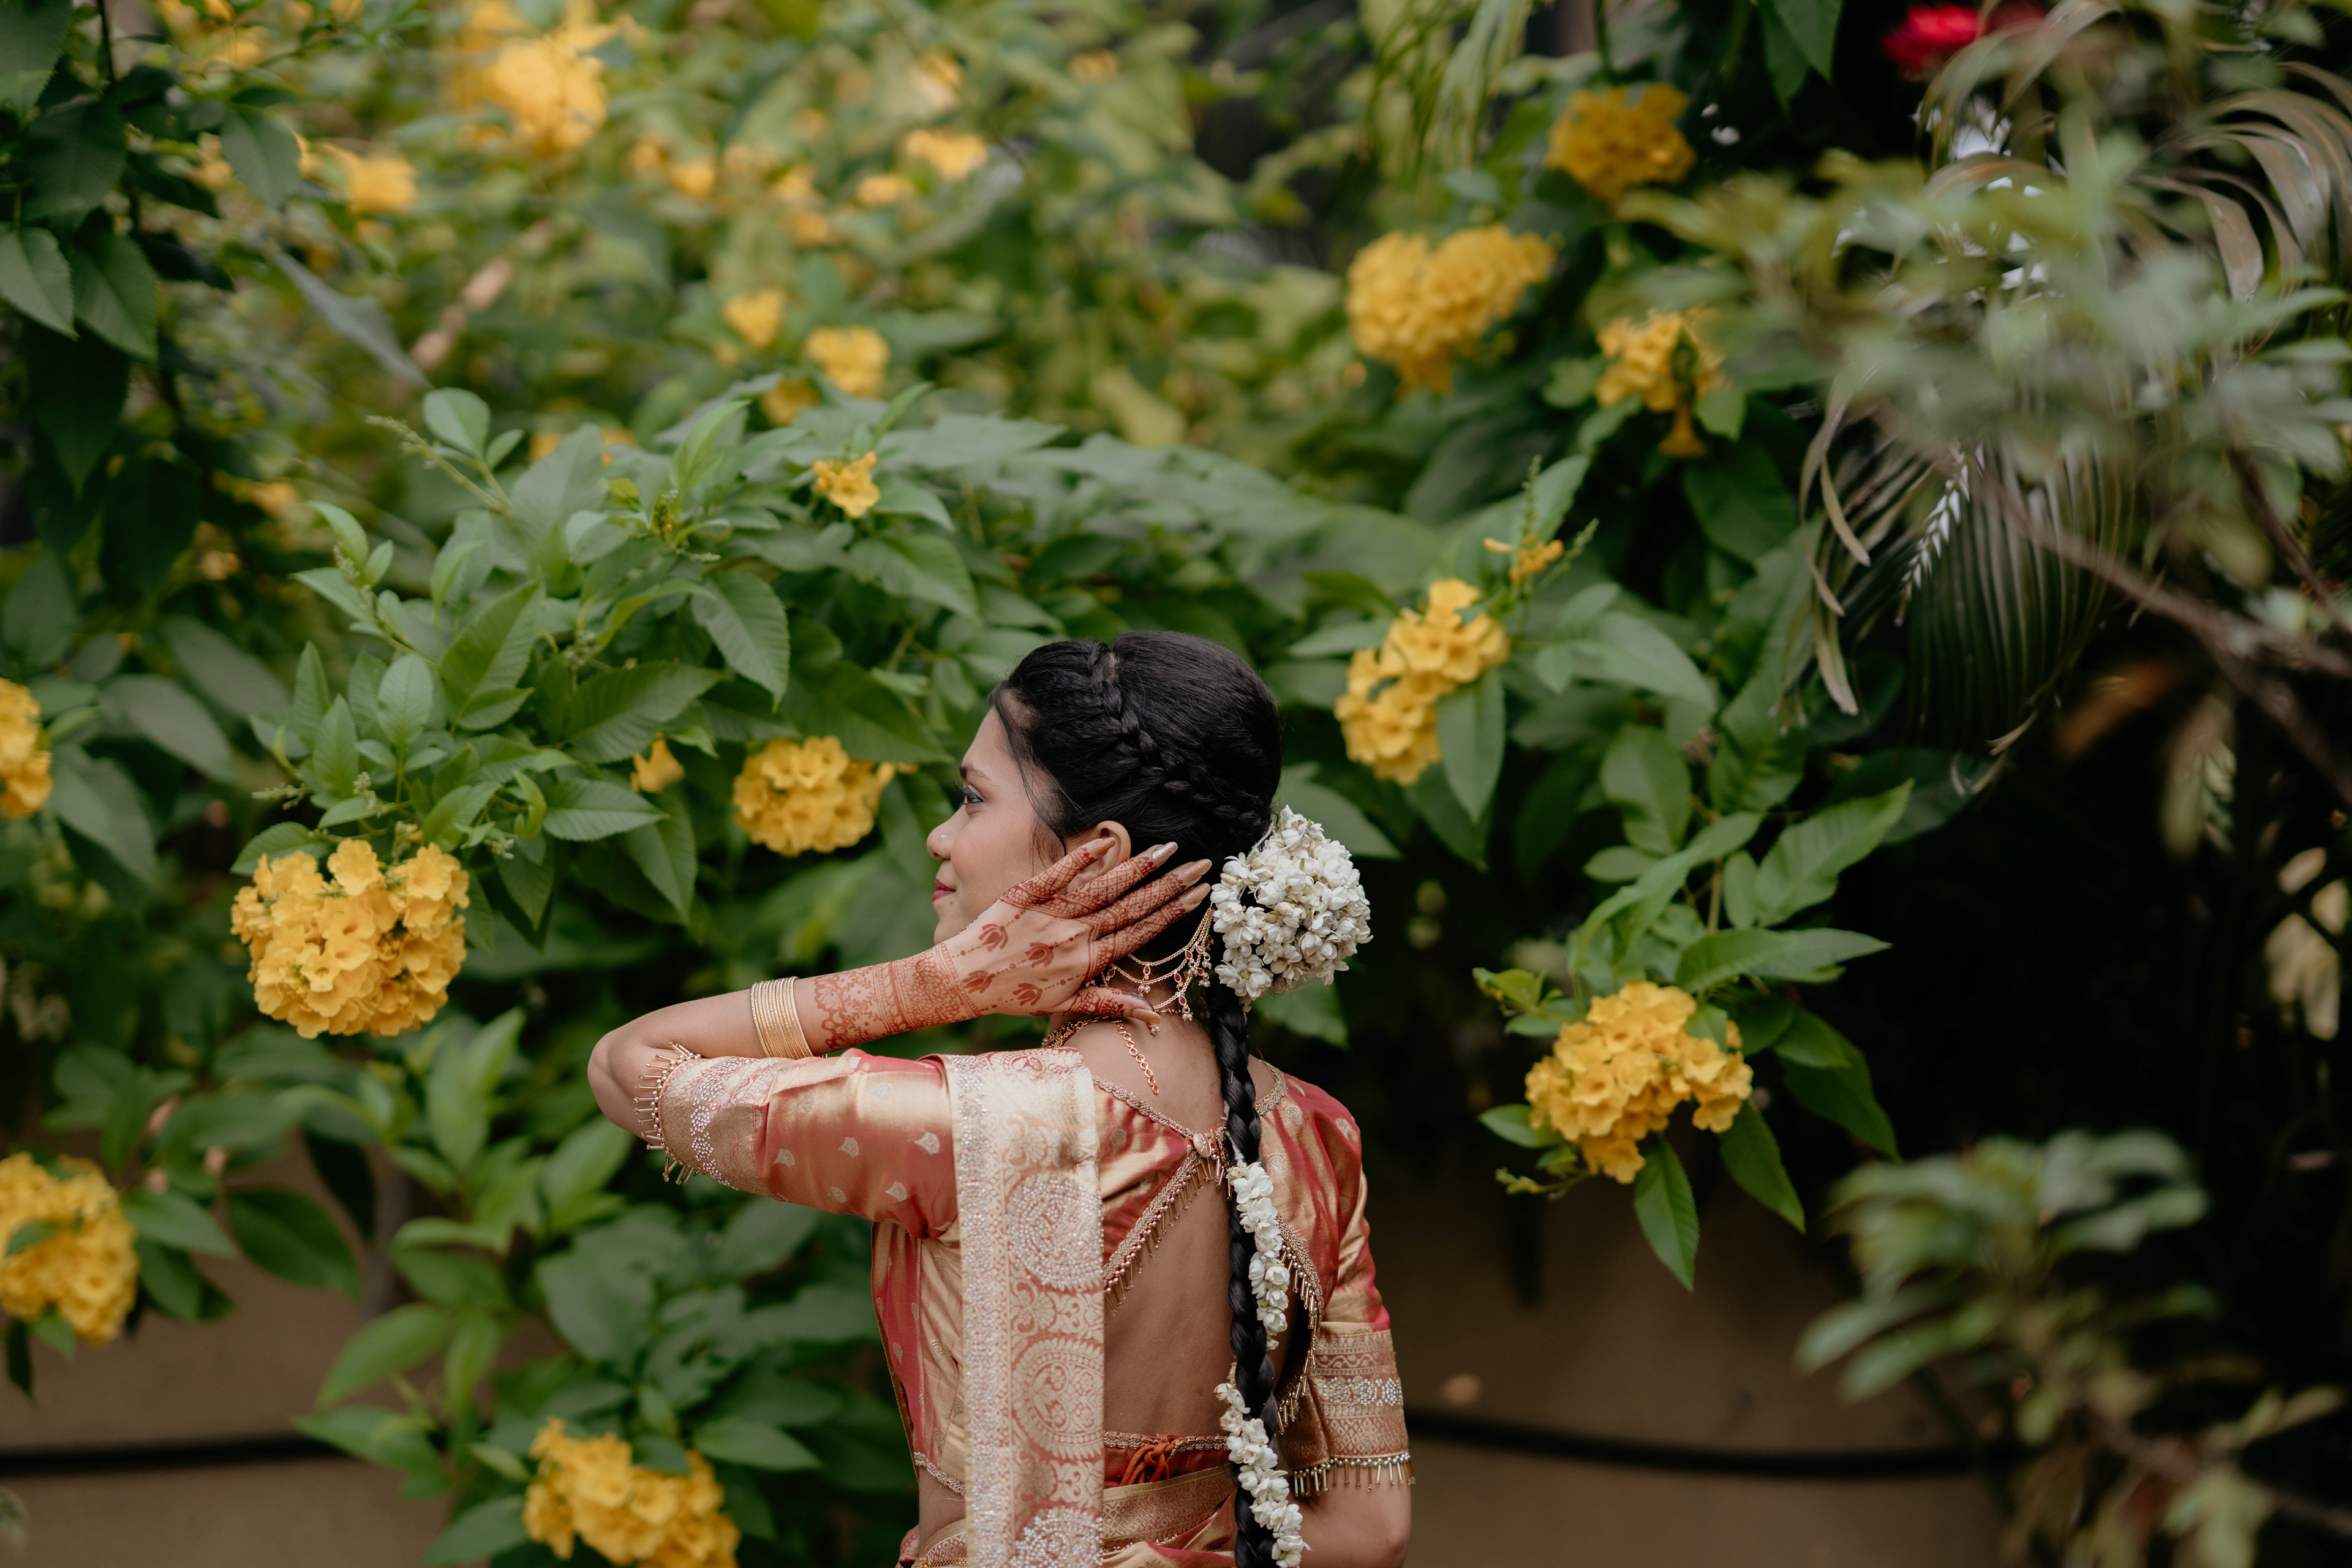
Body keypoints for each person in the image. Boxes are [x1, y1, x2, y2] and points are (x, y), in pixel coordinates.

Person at [587, 631, 1411, 1568]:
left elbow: (627, 1064)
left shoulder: (963, 1130)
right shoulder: (1315, 1138)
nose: (940, 836)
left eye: (974, 798)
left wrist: (927, 988)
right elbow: (1373, 1530)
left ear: (1096, 857)